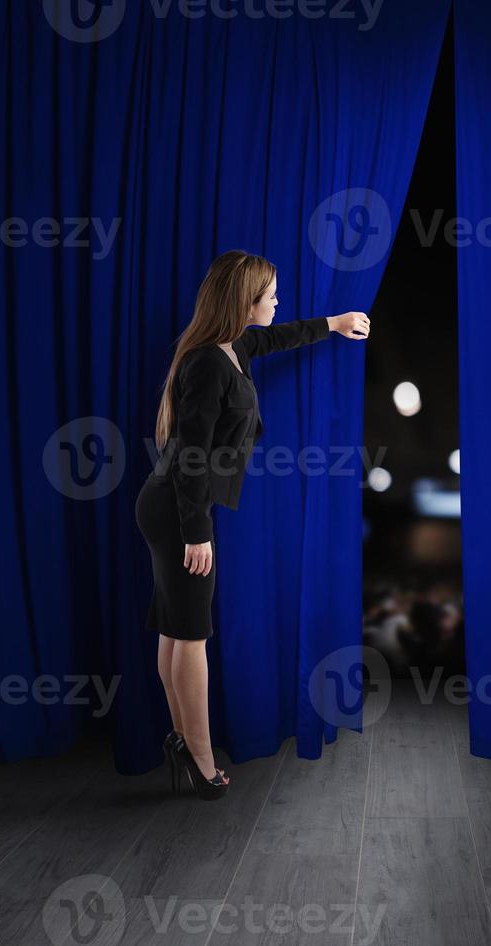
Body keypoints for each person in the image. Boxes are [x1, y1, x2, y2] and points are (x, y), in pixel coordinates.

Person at [135, 249, 371, 799]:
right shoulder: (207, 363)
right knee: (190, 635)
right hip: (177, 509)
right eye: (270, 295)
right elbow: (192, 454)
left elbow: (273, 339)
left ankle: (179, 741)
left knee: (176, 629)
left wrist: (332, 324)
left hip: (170, 503)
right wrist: (197, 531)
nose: (277, 302)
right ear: (244, 301)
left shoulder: (231, 347)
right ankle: (200, 757)